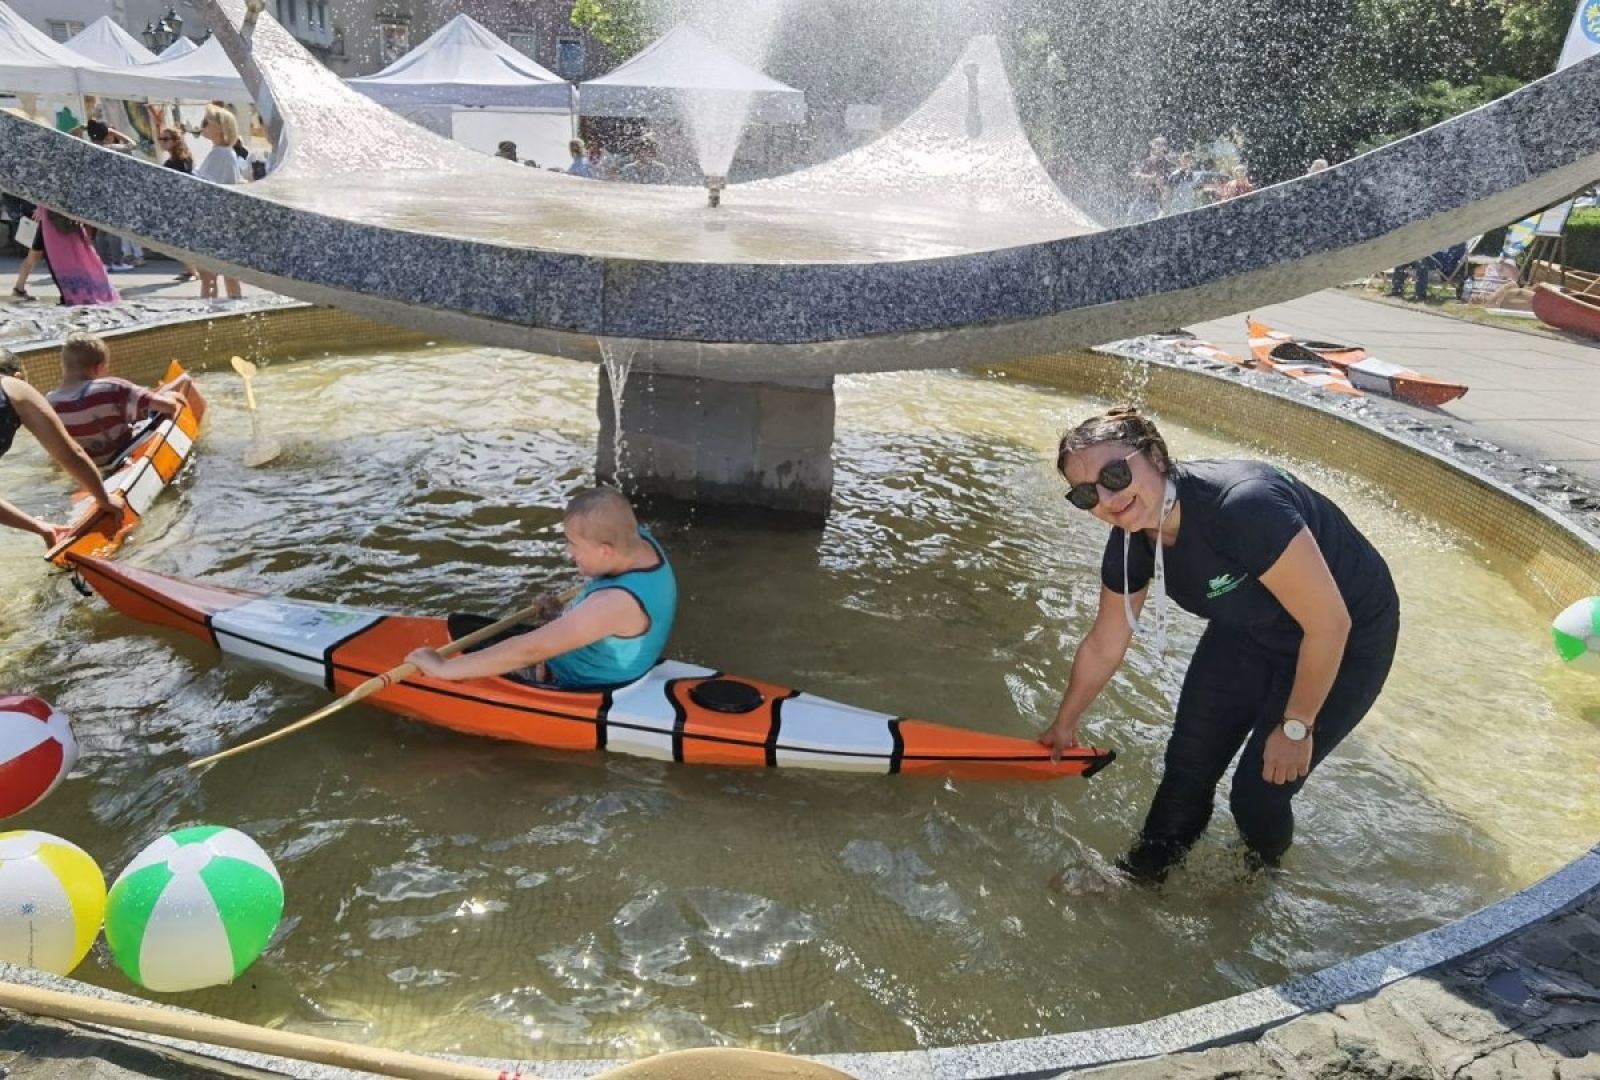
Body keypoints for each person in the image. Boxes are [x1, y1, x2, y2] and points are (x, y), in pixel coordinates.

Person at [1039, 406, 1399, 884]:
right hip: (1249, 629)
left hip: (1347, 636)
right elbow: (1105, 644)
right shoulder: (1130, 540)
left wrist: (1296, 727)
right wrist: (1065, 723)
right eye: (1086, 493)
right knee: (1187, 765)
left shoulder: (1242, 505)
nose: (1108, 497)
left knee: (1258, 792)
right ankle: (1142, 878)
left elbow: (1329, 623)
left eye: (1115, 472)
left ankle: (1262, 880)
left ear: (1156, 456)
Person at [406, 487, 676, 689]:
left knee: (475, 662)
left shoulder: (613, 605)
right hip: (606, 655)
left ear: (605, 551)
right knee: (467, 625)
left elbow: (529, 651)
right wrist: (560, 616)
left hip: (576, 682)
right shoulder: (637, 541)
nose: (570, 553)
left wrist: (442, 668)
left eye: (573, 544)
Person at [0, 348, 122, 548]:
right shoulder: (13, 386)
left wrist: (41, 528)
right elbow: (68, 452)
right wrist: (103, 497)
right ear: (19, 376)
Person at [46, 333, 201, 469]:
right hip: (123, 454)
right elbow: (168, 407)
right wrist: (170, 398)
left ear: (62, 366)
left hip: (87, 466)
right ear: (99, 368)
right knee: (178, 387)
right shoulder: (110, 387)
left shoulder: (49, 403)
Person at [194, 105, 245, 301]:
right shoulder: (225, 152)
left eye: (207, 122)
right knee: (228, 276)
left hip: (214, 224)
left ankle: (205, 319)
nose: (203, 125)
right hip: (223, 224)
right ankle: (237, 314)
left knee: (209, 277)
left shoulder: (220, 154)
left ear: (221, 127)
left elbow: (206, 188)